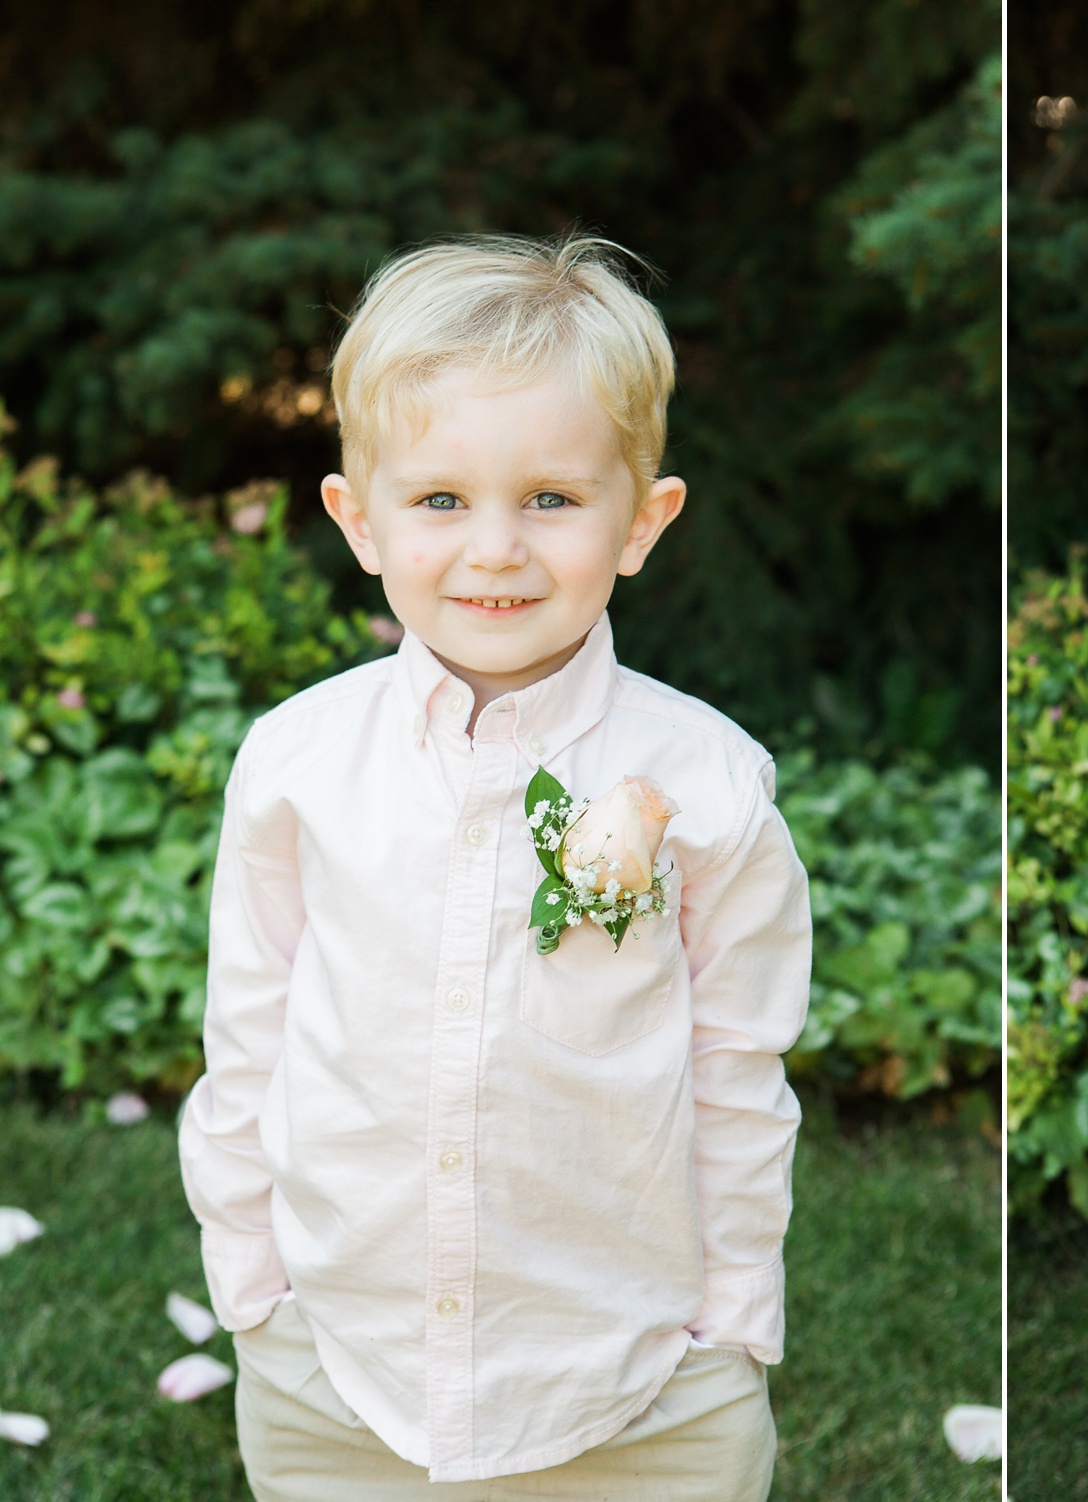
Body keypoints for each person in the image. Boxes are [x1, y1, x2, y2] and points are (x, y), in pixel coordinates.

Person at [178, 234, 811, 1500]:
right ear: (359, 520)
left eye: (553, 498)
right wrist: (253, 1284)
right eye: (441, 500)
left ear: (642, 519)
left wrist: (731, 1327)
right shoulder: (298, 761)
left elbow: (737, 1067)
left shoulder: (708, 782)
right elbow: (252, 1031)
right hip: (339, 1363)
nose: (497, 548)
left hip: (629, 1379)